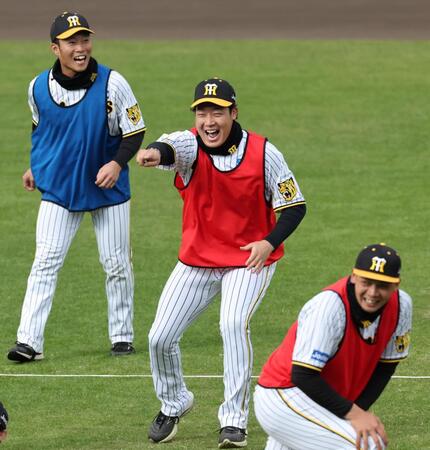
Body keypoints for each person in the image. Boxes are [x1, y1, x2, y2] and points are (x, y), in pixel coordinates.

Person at [136, 77, 306, 448]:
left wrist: (269, 241)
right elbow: (167, 147)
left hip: (248, 261)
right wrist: (152, 152)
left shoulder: (264, 153)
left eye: (217, 111)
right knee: (159, 337)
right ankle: (175, 402)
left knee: (232, 325)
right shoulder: (189, 145)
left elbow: (294, 205)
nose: (208, 121)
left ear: (234, 112)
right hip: (197, 260)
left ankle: (233, 421)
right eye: (201, 112)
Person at [7, 11, 146, 363]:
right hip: (60, 188)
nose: (81, 48)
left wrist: (117, 163)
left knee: (116, 263)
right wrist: (37, 168)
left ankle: (122, 335)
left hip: (107, 188)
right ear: (56, 48)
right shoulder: (37, 88)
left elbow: (135, 130)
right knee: (45, 262)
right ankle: (29, 342)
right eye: (72, 42)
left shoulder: (114, 84)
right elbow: (45, 133)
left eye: (84, 40)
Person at [254, 243, 412, 450]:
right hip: (285, 395)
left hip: (317, 400)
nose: (373, 292)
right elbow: (303, 374)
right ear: (354, 276)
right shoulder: (329, 306)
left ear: (396, 285)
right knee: (368, 444)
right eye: (367, 282)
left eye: (382, 285)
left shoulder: (402, 306)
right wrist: (354, 415)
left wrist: (358, 411)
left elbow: (385, 367)